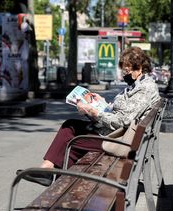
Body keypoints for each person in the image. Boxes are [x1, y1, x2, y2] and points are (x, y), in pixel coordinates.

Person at [18, 47, 160, 185]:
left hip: (118, 141)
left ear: (139, 68)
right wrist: (101, 104)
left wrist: (94, 112)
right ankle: (50, 172)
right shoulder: (139, 85)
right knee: (70, 126)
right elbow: (123, 113)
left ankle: (53, 175)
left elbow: (123, 121)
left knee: (71, 140)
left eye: (127, 70)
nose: (124, 75)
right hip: (117, 134)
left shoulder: (145, 88)